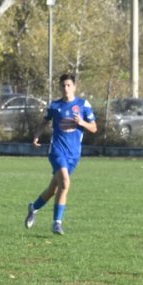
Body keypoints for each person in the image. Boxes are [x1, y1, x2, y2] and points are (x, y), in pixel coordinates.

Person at [25, 73, 97, 235]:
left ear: (74, 87)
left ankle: (34, 207)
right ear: (60, 87)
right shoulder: (55, 106)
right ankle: (57, 223)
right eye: (63, 85)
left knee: (53, 189)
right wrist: (37, 135)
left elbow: (93, 128)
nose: (65, 88)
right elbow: (45, 121)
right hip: (57, 150)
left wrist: (82, 123)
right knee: (65, 183)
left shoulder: (83, 104)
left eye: (68, 85)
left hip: (74, 154)